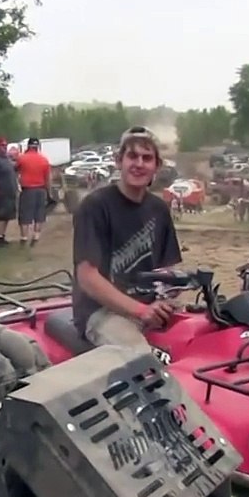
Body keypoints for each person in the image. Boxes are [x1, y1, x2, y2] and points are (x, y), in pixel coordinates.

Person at [71, 126, 182, 347]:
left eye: (147, 158)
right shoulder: (96, 206)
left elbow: (166, 271)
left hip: (148, 309)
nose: (139, 164)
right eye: (132, 156)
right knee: (142, 363)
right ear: (118, 161)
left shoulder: (159, 209)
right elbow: (87, 277)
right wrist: (141, 310)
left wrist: (170, 293)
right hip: (103, 313)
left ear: (156, 166)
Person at [15, 137, 52, 246]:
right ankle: (36, 236)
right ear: (38, 147)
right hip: (40, 190)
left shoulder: (22, 158)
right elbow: (48, 179)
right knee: (39, 215)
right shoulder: (44, 160)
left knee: (25, 215)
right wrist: (48, 192)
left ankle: (24, 238)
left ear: (28, 146)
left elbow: (15, 169)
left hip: (27, 190)